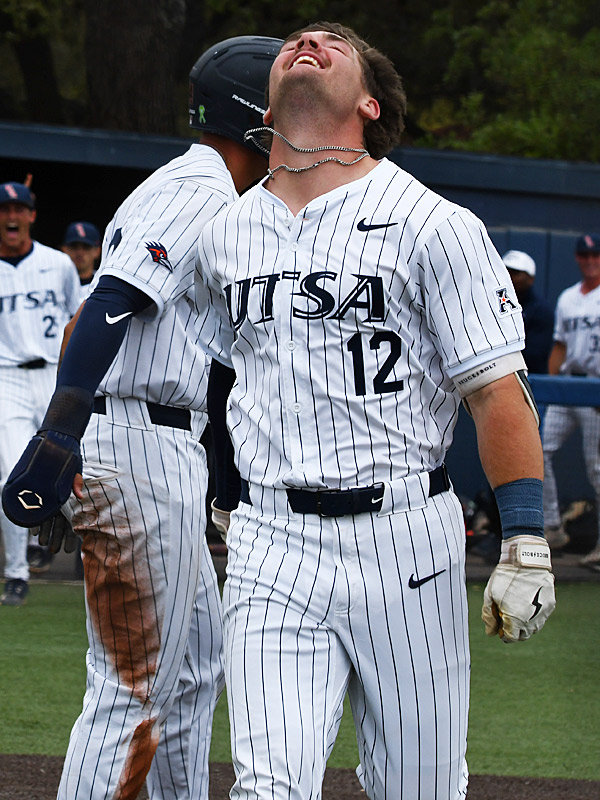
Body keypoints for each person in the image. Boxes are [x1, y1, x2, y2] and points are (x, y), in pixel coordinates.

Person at [195, 22, 556, 800]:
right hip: (271, 543)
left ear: (368, 102)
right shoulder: (224, 232)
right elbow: (226, 373)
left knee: (418, 787)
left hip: (405, 540)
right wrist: (224, 493)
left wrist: (525, 536)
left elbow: (496, 390)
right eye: (296, 39)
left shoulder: (435, 224)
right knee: (267, 788)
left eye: (335, 43)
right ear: (266, 97)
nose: (308, 41)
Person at [2, 35, 283, 800]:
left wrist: (221, 476)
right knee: (133, 681)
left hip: (161, 443)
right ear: (256, 118)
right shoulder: (195, 190)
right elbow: (107, 305)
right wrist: (60, 434)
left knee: (192, 669)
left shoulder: (221, 198)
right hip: (132, 438)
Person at [0, 180, 81, 605]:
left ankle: (90, 557)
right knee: (11, 473)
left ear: (32, 214)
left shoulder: (58, 264)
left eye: (19, 208)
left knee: (69, 465)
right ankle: (17, 573)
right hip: (7, 377)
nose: (11, 216)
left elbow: (75, 321)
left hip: (53, 373)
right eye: (4, 208)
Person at [542, 233, 600, 567]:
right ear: (577, 258)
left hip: (596, 389)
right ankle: (552, 526)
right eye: (584, 255)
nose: (590, 260)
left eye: (595, 255)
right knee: (540, 449)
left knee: (597, 469)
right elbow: (560, 345)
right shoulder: (567, 298)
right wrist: (552, 386)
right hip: (569, 384)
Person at [502, 249, 554, 374]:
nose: (509, 277)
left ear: (530, 278)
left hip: (532, 380)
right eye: (505, 272)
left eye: (515, 273)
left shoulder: (541, 310)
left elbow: (535, 356)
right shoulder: (492, 304)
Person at [61, 221, 101, 288]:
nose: (80, 252)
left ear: (97, 251)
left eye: (86, 247)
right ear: (64, 249)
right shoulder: (53, 282)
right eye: (74, 246)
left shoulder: (104, 283)